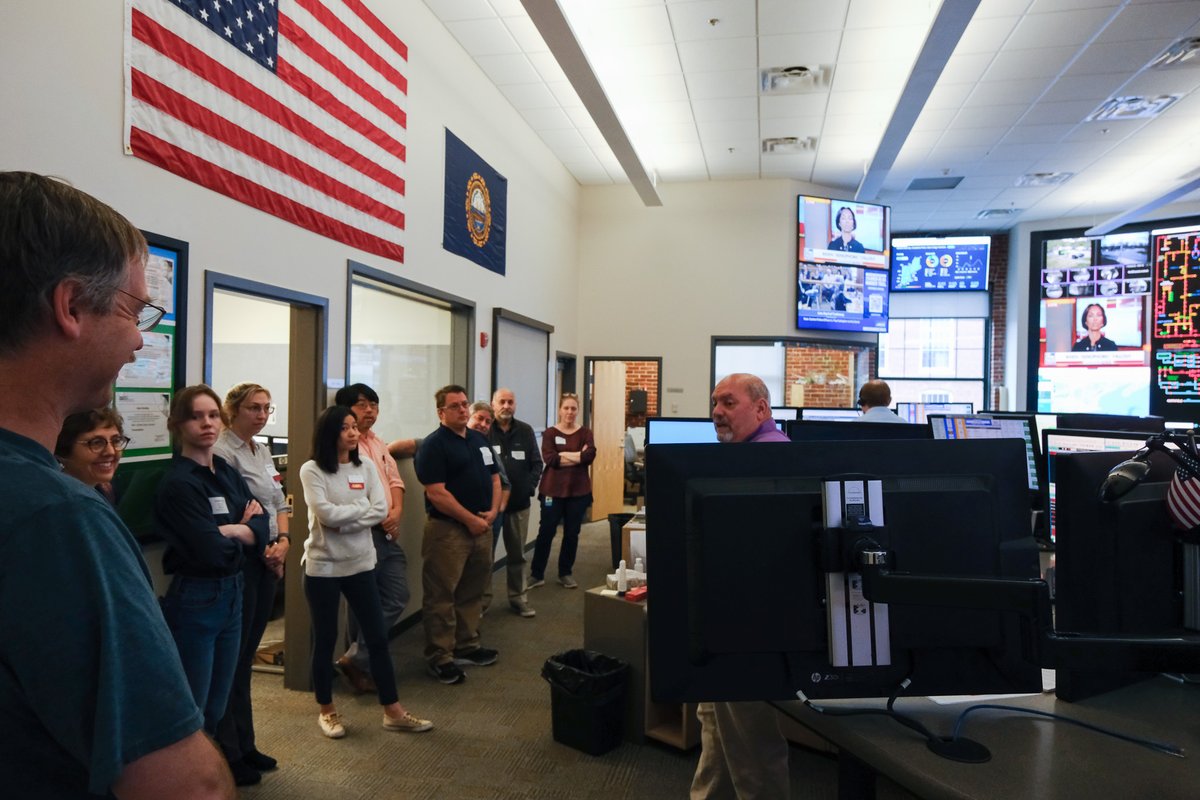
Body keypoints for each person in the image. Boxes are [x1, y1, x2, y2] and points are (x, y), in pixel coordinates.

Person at [0, 171, 233, 798]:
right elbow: (187, 787)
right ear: (71, 306)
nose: (140, 336)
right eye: (135, 310)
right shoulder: (57, 519)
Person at [299, 405, 433, 738]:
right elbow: (326, 515)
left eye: (354, 427)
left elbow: (381, 510)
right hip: (324, 567)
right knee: (326, 638)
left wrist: (348, 520)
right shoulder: (312, 470)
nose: (353, 432)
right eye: (345, 427)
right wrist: (358, 516)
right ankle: (327, 710)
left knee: (377, 639)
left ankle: (393, 711)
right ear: (330, 432)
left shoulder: (367, 466)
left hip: (361, 563)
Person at [693, 372, 792, 800]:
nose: (717, 411)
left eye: (729, 403)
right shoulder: (746, 456)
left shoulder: (766, 460)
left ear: (761, 409)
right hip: (729, 619)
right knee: (717, 724)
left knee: (751, 743)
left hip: (749, 627)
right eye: (715, 402)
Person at [155, 385, 269, 740]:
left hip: (233, 593)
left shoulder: (225, 471)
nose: (207, 424)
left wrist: (234, 530)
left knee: (218, 706)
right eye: (196, 416)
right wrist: (244, 530)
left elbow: (262, 522)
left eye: (213, 415)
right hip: (198, 599)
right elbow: (211, 551)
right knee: (195, 710)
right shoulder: (178, 484)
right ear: (177, 424)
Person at [212, 383, 290, 785]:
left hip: (268, 559)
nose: (261, 415)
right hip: (245, 564)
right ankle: (230, 749)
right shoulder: (223, 452)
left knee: (246, 661)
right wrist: (268, 547)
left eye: (266, 408)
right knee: (234, 662)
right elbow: (243, 514)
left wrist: (284, 543)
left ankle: (247, 742)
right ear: (233, 410)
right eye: (253, 408)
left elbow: (277, 503)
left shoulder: (259, 450)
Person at [415, 385, 502, 685]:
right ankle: (440, 657)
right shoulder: (433, 446)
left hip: (482, 527)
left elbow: (494, 478)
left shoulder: (479, 439)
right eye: (455, 406)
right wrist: (470, 521)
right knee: (442, 596)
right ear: (441, 412)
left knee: (472, 591)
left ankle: (468, 645)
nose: (463, 410)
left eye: (465, 404)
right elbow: (438, 494)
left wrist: (492, 513)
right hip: (448, 531)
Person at [332, 383, 409, 695]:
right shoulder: (344, 448)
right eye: (363, 405)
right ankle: (361, 667)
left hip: (387, 533)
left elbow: (394, 479)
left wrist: (397, 512)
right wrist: (382, 518)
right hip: (364, 533)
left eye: (374, 405)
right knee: (362, 604)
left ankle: (355, 659)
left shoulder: (377, 442)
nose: (370, 411)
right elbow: (351, 494)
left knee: (396, 595)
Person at [529, 392, 596, 590]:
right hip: (552, 492)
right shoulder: (550, 433)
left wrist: (566, 455)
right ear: (560, 410)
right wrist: (578, 455)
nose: (569, 412)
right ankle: (537, 574)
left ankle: (565, 573)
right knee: (546, 531)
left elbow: (589, 456)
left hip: (578, 492)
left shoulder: (585, 432)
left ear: (577, 411)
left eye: (573, 408)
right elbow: (551, 460)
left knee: (571, 533)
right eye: (566, 408)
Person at [488, 387, 543, 617]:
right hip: (490, 507)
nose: (506, 406)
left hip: (519, 505)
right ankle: (480, 603)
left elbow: (537, 464)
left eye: (510, 402)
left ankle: (518, 598)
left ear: (515, 405)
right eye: (502, 401)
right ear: (493, 404)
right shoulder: (484, 430)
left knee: (517, 555)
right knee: (485, 558)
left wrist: (528, 487)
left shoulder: (525, 430)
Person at [467, 401, 512, 614]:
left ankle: (479, 610)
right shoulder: (444, 442)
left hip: (489, 520)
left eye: (487, 421)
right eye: (479, 419)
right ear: (468, 416)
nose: (483, 424)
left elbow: (502, 482)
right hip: (459, 522)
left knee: (484, 567)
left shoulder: (486, 448)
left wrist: (497, 511)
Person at [54, 406, 129, 503]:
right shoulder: (62, 501)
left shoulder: (105, 489)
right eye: (96, 442)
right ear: (64, 448)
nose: (111, 452)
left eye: (116, 440)